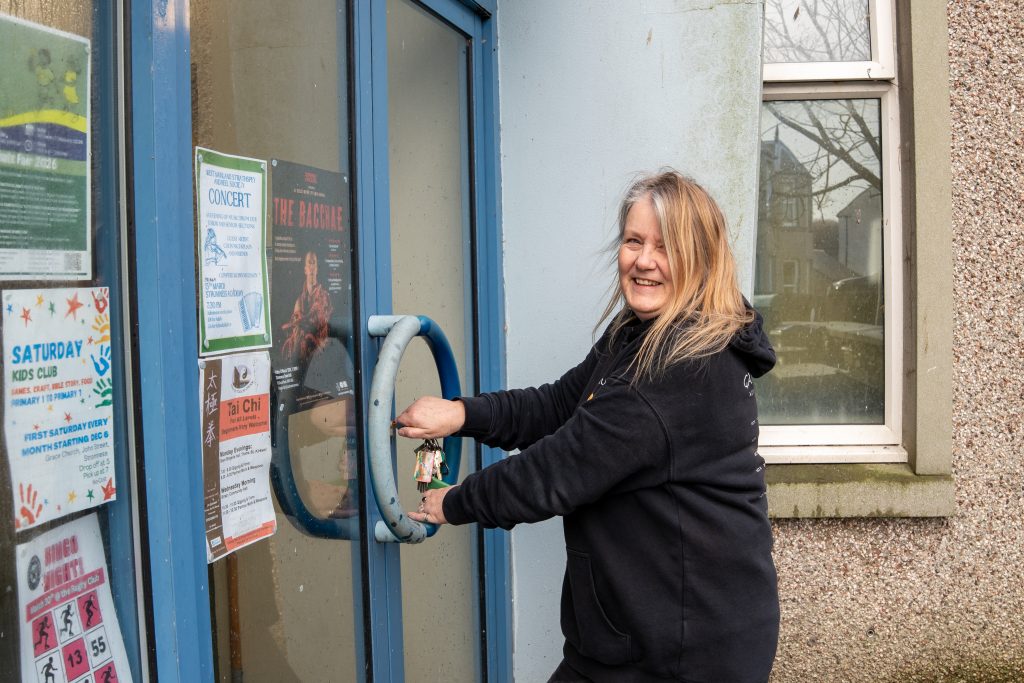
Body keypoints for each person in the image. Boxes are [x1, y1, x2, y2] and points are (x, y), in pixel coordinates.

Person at [397, 170, 780, 682]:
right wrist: (462, 414)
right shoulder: (639, 334)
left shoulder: (681, 368)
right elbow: (560, 405)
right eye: (634, 241)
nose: (643, 260)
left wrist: (454, 502)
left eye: (665, 247)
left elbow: (558, 471)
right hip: (638, 633)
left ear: (701, 259)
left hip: (686, 650)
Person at [280, 250, 332, 365]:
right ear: (305, 269)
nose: (312, 267)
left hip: (319, 356)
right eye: (309, 263)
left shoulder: (325, 297)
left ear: (317, 269)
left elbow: (323, 326)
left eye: (314, 263)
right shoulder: (299, 300)